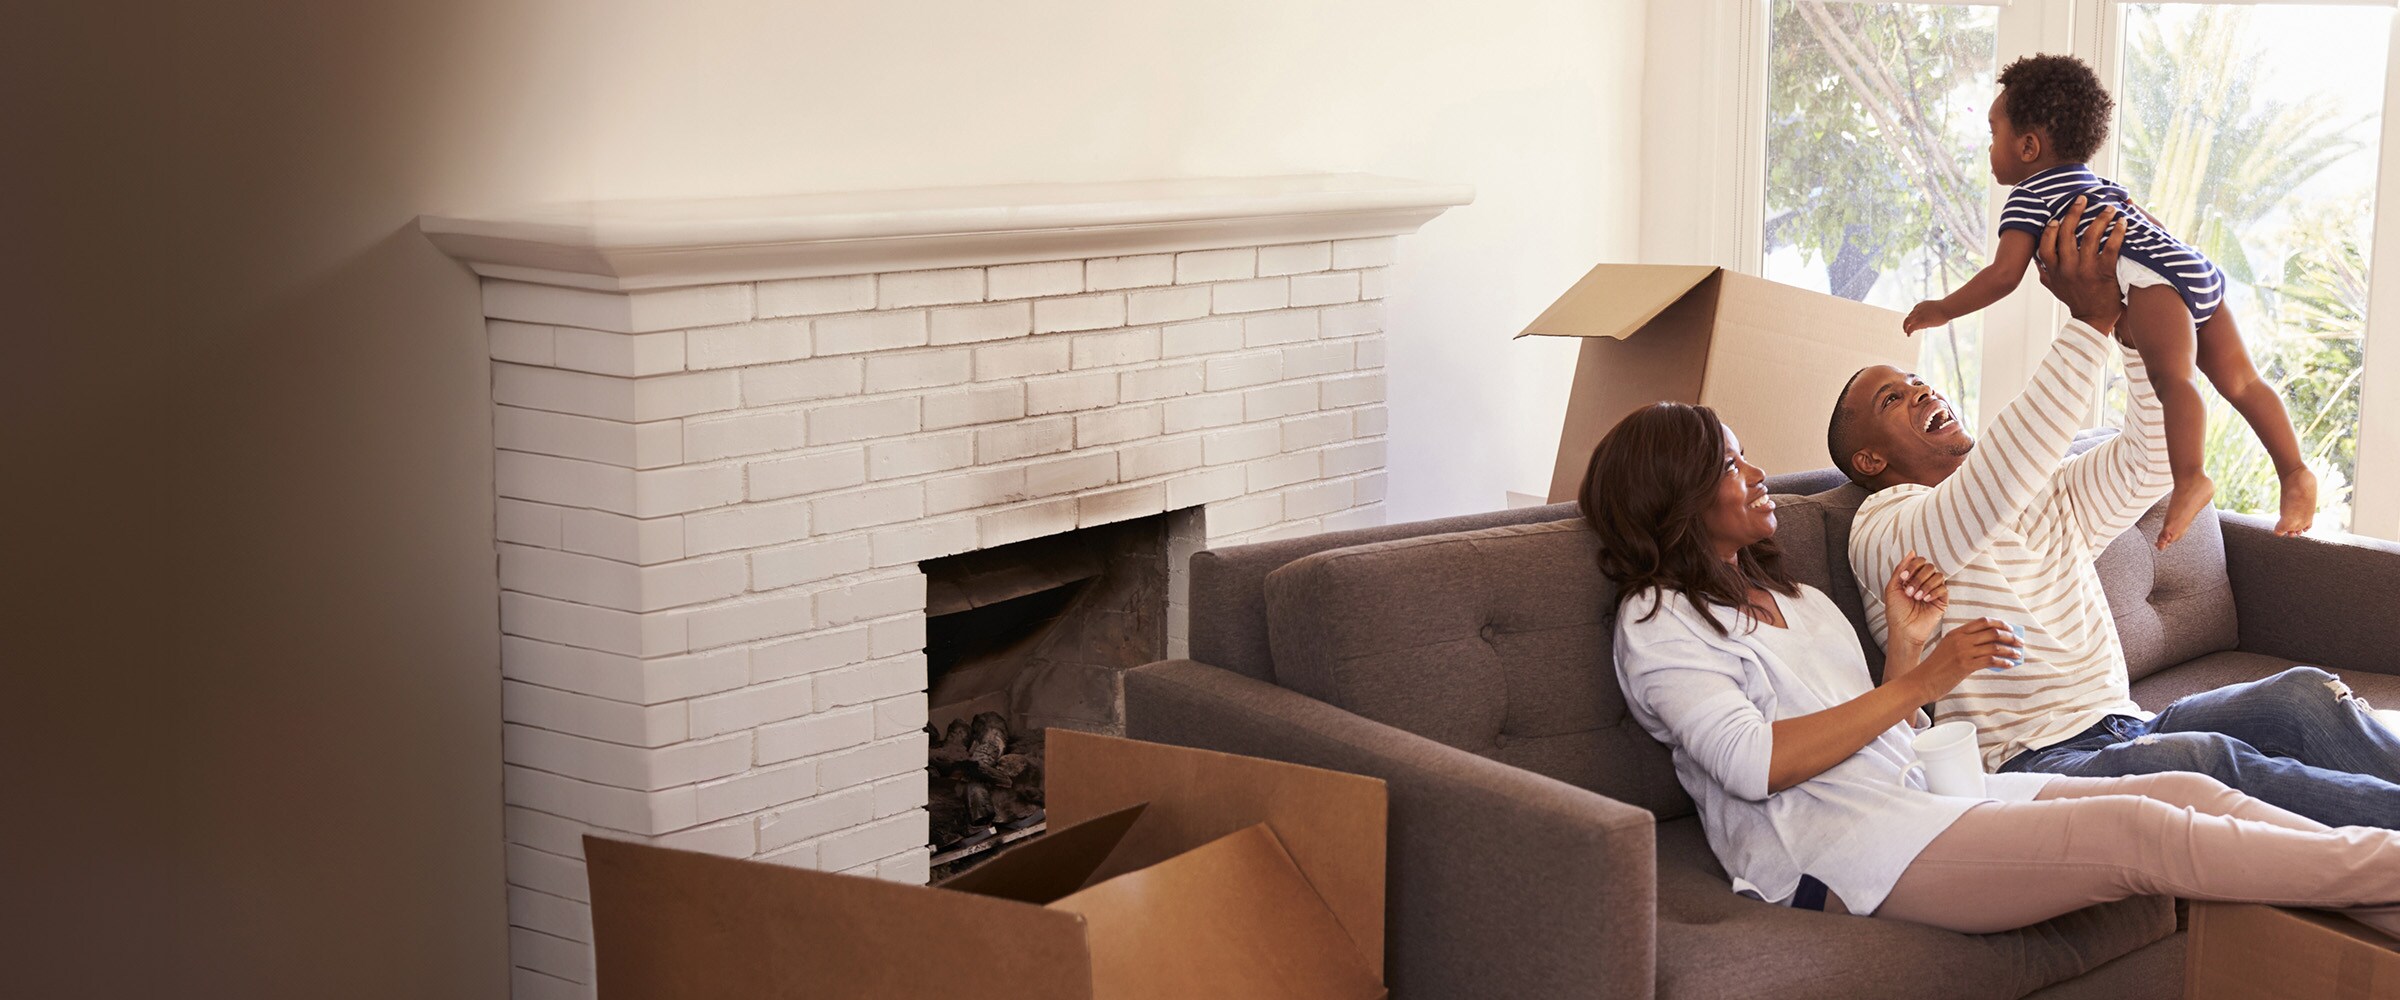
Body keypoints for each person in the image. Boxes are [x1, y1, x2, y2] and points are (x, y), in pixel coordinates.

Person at [1582, 399, 2400, 934]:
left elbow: (1889, 732)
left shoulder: (1792, 596)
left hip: (1915, 800)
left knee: (2185, 790)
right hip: (1837, 851)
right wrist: (1921, 679)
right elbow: (1755, 766)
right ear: (1675, 493)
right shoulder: (1658, 623)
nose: (1757, 475)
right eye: (1731, 465)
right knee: (2140, 831)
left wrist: (1906, 646)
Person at [1834, 189, 2400, 829]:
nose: (1921, 391)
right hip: (2031, 765)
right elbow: (1985, 496)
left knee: (2303, 697)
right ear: (1870, 461)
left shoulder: (2039, 489)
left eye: (1916, 381)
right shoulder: (1881, 528)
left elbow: (2151, 460)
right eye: (1891, 399)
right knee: (2208, 762)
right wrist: (2088, 323)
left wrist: (2131, 326)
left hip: (2124, 724)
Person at [1899, 53, 2314, 546]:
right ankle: (2294, 472)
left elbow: (2004, 275)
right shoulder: (2098, 184)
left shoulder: (2029, 197)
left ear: (2029, 146)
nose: (1989, 149)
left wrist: (1943, 309)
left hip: (2150, 279)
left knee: (2174, 378)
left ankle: (2191, 476)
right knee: (2244, 381)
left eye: (1993, 134)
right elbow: (2145, 223)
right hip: (2187, 261)